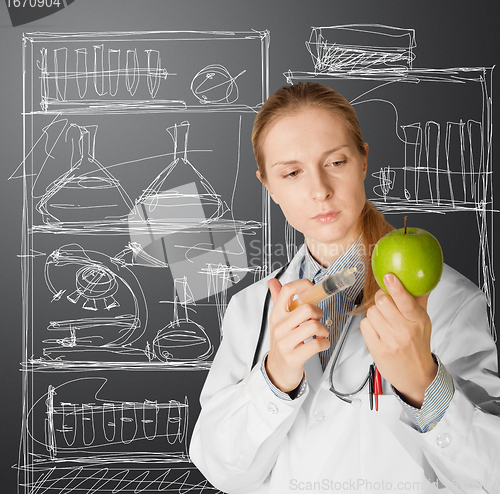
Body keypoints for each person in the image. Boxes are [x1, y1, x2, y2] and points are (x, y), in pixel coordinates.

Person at [189, 83, 500, 493]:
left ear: (363, 160)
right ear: (268, 185)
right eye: (292, 172)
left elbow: (491, 476)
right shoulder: (250, 309)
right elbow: (223, 471)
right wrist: (275, 377)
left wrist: (425, 385)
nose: (320, 190)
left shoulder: (448, 301)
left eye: (335, 162)